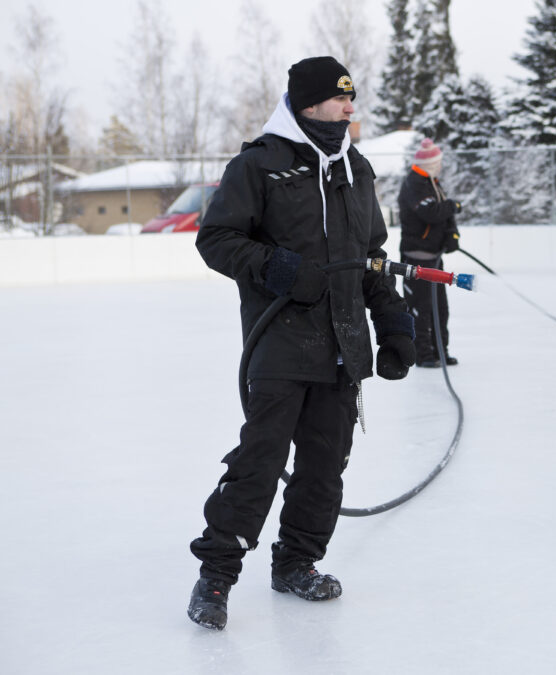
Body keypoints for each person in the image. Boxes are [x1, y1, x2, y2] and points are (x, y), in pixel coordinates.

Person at [186, 56, 417, 631]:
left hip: (343, 347)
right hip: (281, 343)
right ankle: (216, 575)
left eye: (351, 97)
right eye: (340, 98)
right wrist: (277, 268)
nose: (349, 107)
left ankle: (296, 563)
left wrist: (394, 326)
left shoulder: (355, 168)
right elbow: (215, 239)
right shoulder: (261, 164)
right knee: (259, 463)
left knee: (324, 467)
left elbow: (372, 259)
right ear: (308, 103)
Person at [398, 138, 462, 367]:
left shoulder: (433, 183)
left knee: (440, 307)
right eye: (438, 162)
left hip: (435, 258)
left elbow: (444, 217)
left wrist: (452, 234)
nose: (441, 165)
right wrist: (452, 206)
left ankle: (440, 351)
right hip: (416, 258)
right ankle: (423, 354)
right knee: (420, 308)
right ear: (429, 163)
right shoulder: (414, 183)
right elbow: (431, 212)